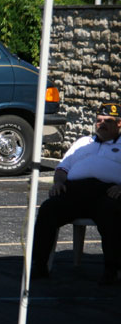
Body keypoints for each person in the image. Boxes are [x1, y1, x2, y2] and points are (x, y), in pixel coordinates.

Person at [31, 102, 121, 285]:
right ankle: (39, 265)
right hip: (75, 190)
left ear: (119, 124)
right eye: (98, 120)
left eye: (107, 121)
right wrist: (58, 183)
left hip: (107, 192)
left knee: (111, 213)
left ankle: (111, 270)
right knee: (49, 208)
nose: (101, 124)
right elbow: (63, 167)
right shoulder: (82, 143)